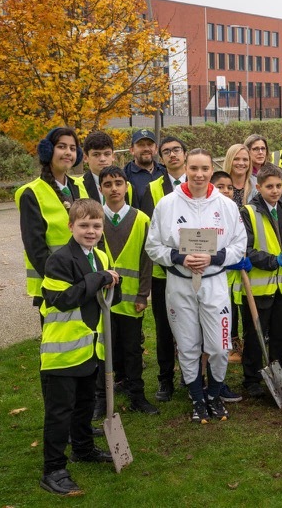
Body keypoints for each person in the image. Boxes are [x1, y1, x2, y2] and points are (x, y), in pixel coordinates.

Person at [145, 149, 248, 424]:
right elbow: (153, 245)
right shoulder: (167, 204)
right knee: (188, 346)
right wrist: (178, 257)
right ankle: (197, 398)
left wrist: (216, 257)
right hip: (179, 284)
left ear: (211, 171)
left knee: (218, 345)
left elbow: (240, 244)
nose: (199, 175)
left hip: (214, 282)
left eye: (204, 169)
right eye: (194, 169)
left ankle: (214, 394)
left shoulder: (225, 205)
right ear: (186, 169)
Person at [38, 199, 118, 496]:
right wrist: (100, 278)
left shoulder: (99, 255)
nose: (91, 231)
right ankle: (53, 469)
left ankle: (83, 448)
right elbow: (64, 299)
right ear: (71, 226)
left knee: (84, 405)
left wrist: (111, 281)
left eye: (96, 226)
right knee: (60, 412)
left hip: (88, 348)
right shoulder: (59, 260)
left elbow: (110, 298)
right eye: (84, 225)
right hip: (61, 352)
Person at [232, 163, 282, 397]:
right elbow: (246, 250)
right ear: (259, 187)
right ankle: (252, 378)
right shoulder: (248, 212)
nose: (275, 191)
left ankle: (279, 371)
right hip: (257, 287)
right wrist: (275, 260)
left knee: (280, 333)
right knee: (255, 334)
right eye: (269, 187)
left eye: (278, 186)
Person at [94, 166, 158, 416]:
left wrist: (143, 294)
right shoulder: (96, 218)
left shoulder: (141, 219)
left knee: (132, 349)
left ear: (127, 187)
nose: (114, 189)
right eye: (108, 184)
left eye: (118, 183)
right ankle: (102, 398)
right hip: (103, 300)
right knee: (104, 349)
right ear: (101, 189)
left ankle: (137, 396)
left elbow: (146, 259)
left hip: (131, 299)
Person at [137, 136, 187, 403]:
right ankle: (165, 379)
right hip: (163, 273)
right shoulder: (153, 188)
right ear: (161, 156)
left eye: (176, 150)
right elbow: (150, 234)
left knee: (193, 326)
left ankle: (190, 376)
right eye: (166, 151)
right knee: (165, 329)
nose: (172, 155)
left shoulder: (197, 182)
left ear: (184, 154)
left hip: (193, 269)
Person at [16, 127, 83, 310]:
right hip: (54, 286)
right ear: (47, 150)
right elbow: (35, 248)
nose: (68, 152)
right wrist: (61, 279)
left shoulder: (80, 188)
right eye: (62, 146)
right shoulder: (31, 193)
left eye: (72, 148)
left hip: (83, 282)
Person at [211, 170, 245, 367]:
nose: (226, 191)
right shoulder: (207, 211)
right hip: (214, 274)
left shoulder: (234, 210)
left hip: (234, 275)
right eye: (220, 187)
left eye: (230, 188)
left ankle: (233, 343)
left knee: (232, 310)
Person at [73, 131, 132, 205]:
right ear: (85, 158)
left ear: (113, 156)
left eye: (107, 154)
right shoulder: (76, 186)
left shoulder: (127, 186)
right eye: (96, 154)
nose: (102, 159)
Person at [123, 129, 166, 202]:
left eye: (150, 144)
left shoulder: (165, 172)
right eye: (141, 145)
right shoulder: (124, 176)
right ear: (132, 150)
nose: (146, 148)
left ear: (156, 149)